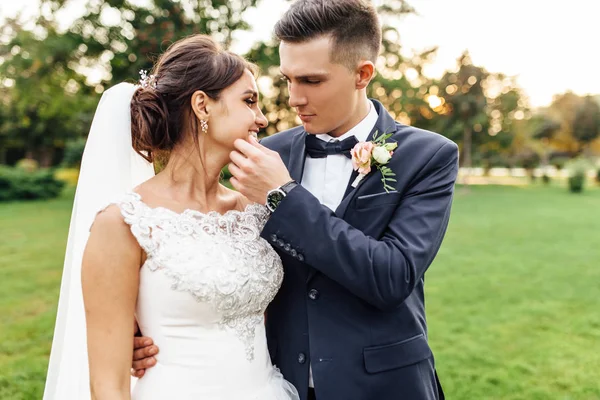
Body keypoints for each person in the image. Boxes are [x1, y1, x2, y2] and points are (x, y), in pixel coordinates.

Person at [133, 1, 459, 399]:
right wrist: (148, 318)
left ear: (363, 74)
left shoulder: (429, 156)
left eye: (311, 81)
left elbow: (391, 277)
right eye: (288, 79)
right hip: (281, 382)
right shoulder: (266, 152)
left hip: (384, 385)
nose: (293, 98)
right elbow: (210, 239)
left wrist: (284, 196)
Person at [43, 34, 299, 400]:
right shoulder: (124, 223)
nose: (261, 118)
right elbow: (108, 386)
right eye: (249, 101)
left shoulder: (255, 210)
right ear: (202, 105)